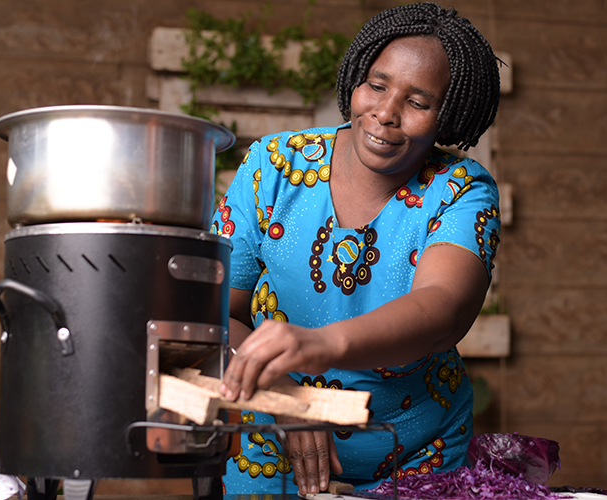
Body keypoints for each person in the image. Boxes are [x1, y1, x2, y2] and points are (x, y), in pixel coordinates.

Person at [210, 2, 502, 495]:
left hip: (417, 455)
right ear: (355, 80)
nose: (385, 113)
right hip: (272, 442)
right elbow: (219, 311)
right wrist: (286, 399)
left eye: (418, 102)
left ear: (448, 117)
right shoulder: (275, 166)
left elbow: (444, 310)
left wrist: (322, 344)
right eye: (377, 84)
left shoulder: (460, 189)